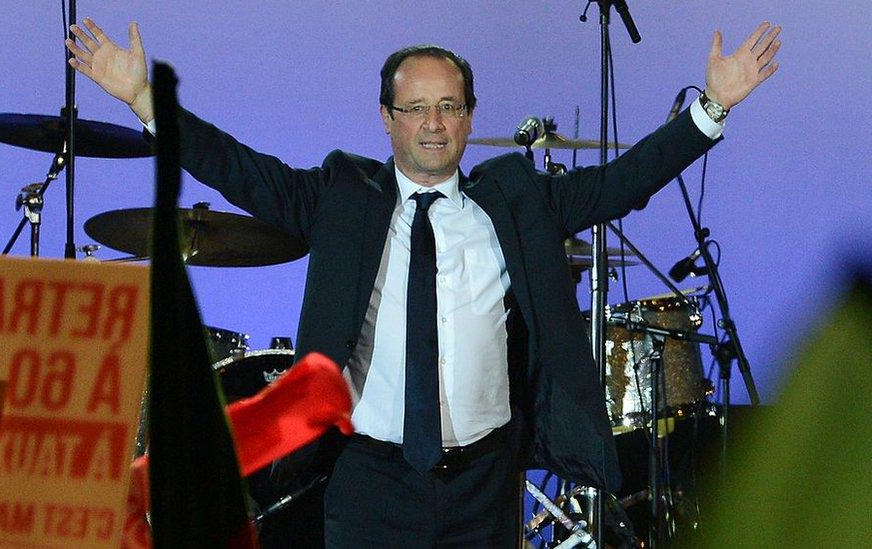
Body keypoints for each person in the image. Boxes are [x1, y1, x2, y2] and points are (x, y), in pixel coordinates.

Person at [67, 18, 780, 548]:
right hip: (371, 479)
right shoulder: (342, 196)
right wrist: (143, 98)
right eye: (416, 108)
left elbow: (624, 181)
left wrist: (710, 111)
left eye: (449, 107)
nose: (434, 124)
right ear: (387, 120)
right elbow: (239, 169)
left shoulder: (515, 201)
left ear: (469, 118)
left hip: (484, 482)